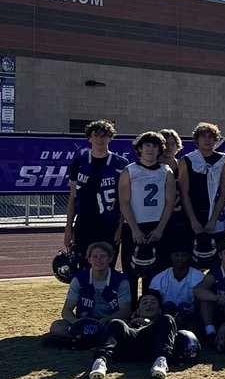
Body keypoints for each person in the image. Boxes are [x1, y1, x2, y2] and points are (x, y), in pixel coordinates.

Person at [117, 130, 176, 296]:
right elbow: (124, 202)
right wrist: (134, 229)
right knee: (131, 272)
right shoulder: (129, 171)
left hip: (157, 226)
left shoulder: (166, 171)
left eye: (155, 146)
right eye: (147, 145)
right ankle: (131, 310)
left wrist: (160, 229)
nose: (151, 149)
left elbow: (170, 202)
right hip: (133, 227)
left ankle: (150, 311)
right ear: (140, 149)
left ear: (160, 150)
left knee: (156, 273)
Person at [63, 120, 127, 271]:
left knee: (108, 266)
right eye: (96, 135)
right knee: (84, 267)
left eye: (104, 136)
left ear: (110, 138)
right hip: (84, 224)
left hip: (109, 224)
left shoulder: (120, 164)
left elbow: (125, 199)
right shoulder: (79, 163)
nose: (100, 139)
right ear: (89, 138)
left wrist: (120, 226)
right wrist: (68, 228)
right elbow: (73, 197)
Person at [48, 240, 131, 346]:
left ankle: (82, 339)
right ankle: (95, 338)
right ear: (89, 259)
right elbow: (66, 311)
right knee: (56, 327)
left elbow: (125, 311)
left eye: (103, 256)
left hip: (108, 322)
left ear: (110, 258)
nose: (98, 260)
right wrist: (78, 324)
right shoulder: (79, 279)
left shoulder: (121, 280)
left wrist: (104, 321)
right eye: (95, 256)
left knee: (123, 328)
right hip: (84, 322)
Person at [87, 288, 178, 379]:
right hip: (127, 347)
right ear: (138, 310)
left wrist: (150, 324)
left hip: (151, 347)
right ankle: (100, 362)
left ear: (159, 310)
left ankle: (161, 361)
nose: (149, 305)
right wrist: (131, 324)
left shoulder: (163, 323)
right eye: (145, 302)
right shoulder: (127, 324)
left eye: (153, 302)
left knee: (168, 318)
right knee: (116, 323)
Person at [178, 122, 225, 257]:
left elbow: (224, 193)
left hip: (216, 217)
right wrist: (193, 221)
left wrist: (213, 220)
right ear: (197, 139)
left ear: (216, 139)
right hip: (192, 216)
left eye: (211, 136)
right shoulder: (186, 160)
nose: (207, 139)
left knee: (217, 257)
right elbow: (184, 192)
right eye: (203, 136)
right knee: (191, 258)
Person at [149, 243, 205, 329]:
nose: (180, 258)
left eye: (184, 255)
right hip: (165, 317)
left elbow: (201, 306)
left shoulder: (199, 277)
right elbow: (154, 303)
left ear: (189, 257)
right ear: (171, 256)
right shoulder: (159, 279)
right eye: (176, 255)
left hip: (191, 318)